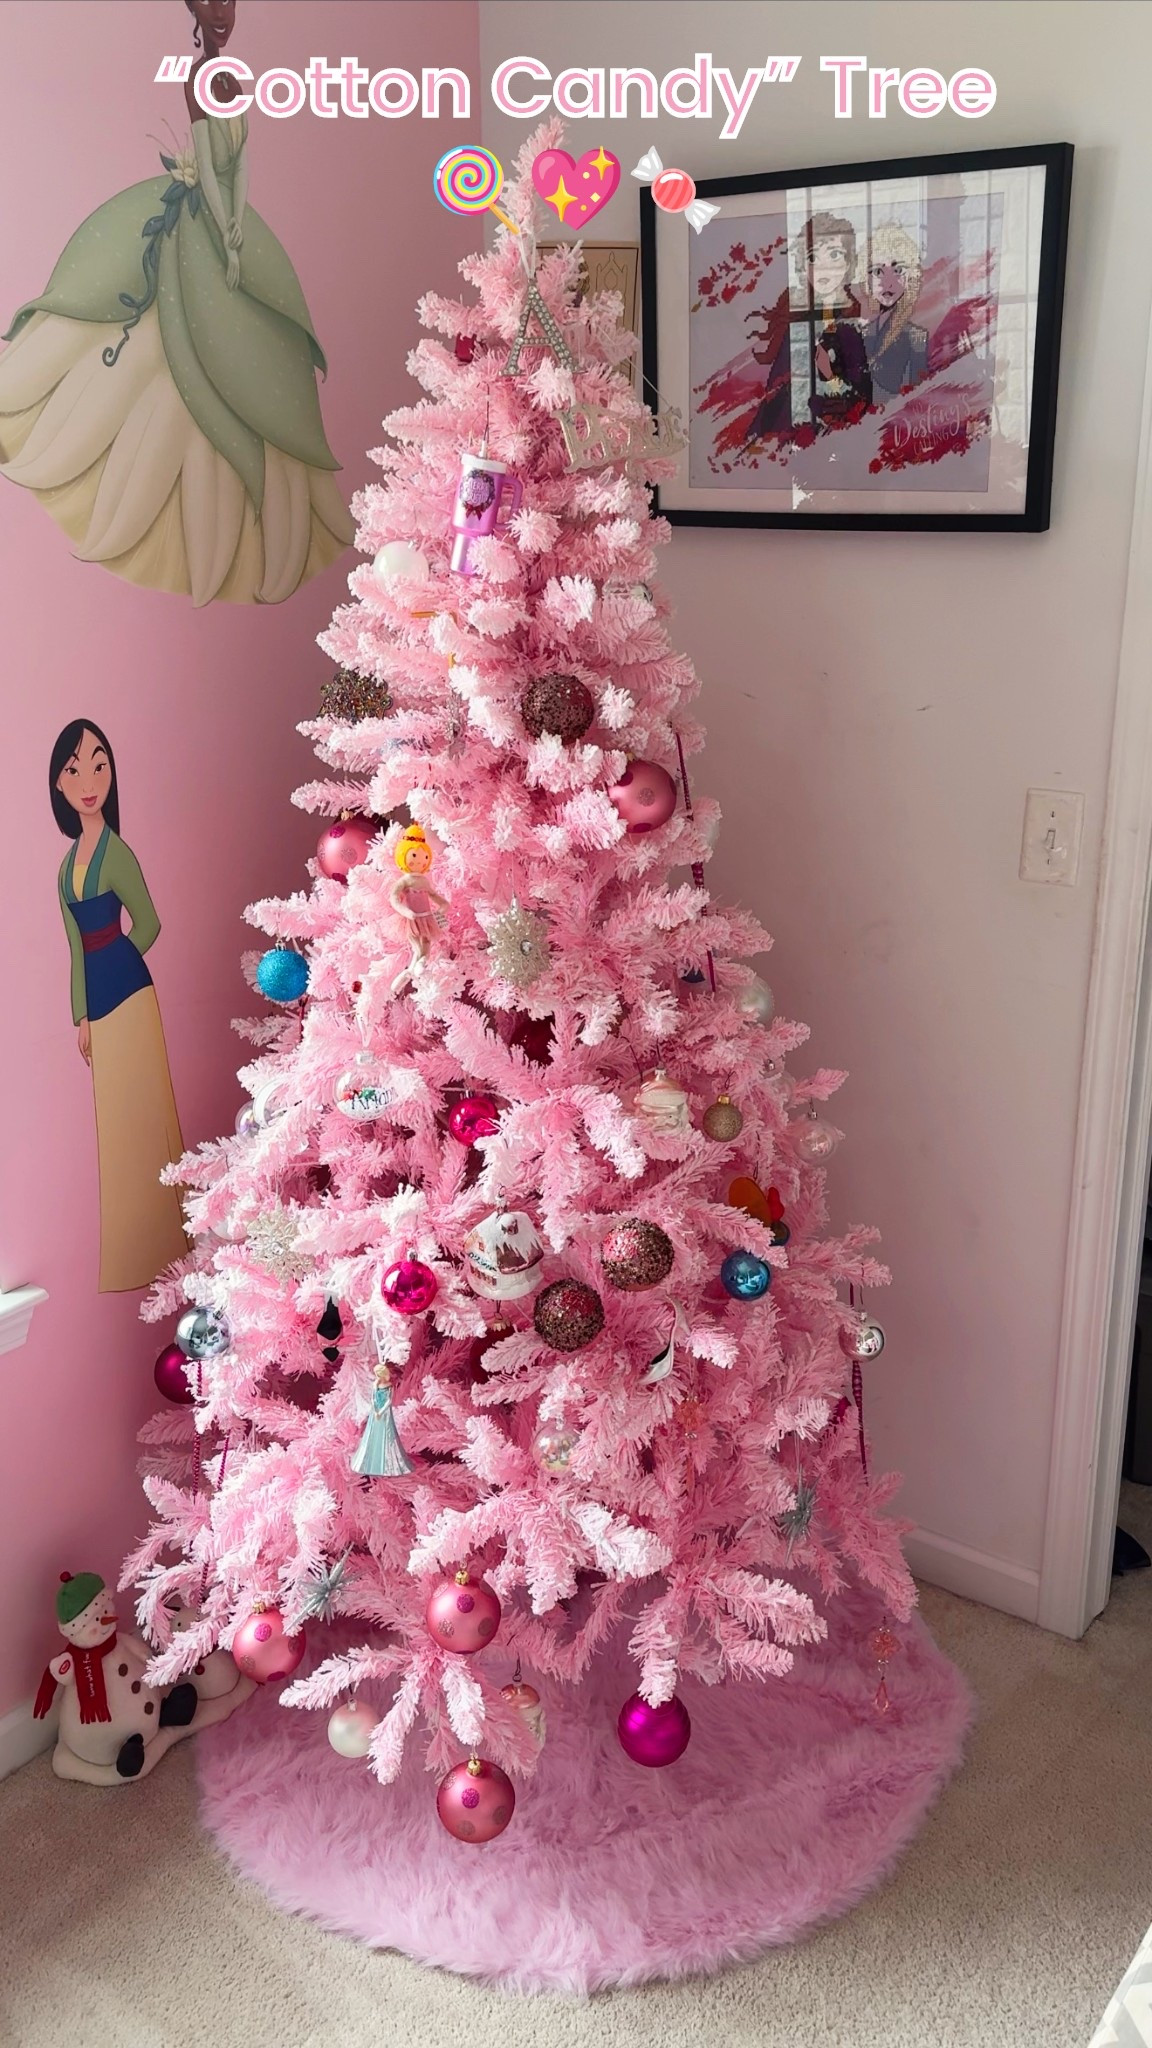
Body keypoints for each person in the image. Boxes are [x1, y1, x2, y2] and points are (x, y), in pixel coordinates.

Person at [0, 0, 352, 605]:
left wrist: (239, 223)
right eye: (210, 1)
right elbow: (212, 175)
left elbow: (240, 166)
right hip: (198, 219)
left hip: (230, 223)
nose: (222, 13)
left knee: (259, 348)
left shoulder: (232, 81)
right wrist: (222, 225)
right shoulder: (196, 78)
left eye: (230, 2)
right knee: (164, 345)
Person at [51, 720, 188, 1291]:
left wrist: (123, 962)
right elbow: (75, 950)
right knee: (116, 1125)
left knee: (146, 1114)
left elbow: (150, 922)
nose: (89, 779)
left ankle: (174, 1238)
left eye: (99, 764)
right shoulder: (65, 869)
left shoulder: (118, 852)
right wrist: (80, 1015)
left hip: (133, 997)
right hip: (101, 1007)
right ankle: (134, 1256)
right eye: (75, 768)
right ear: (59, 784)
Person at [746, 211, 872, 442]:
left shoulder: (852, 325)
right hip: (788, 436)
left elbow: (861, 397)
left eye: (835, 255)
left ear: (849, 263)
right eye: (814, 257)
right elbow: (774, 397)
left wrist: (828, 374)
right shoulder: (797, 321)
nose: (823, 267)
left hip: (833, 439)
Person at [862, 224, 929, 401]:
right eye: (878, 272)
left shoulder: (916, 337)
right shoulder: (863, 333)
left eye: (898, 270)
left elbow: (918, 398)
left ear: (910, 276)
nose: (888, 282)